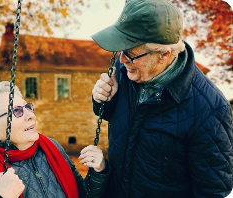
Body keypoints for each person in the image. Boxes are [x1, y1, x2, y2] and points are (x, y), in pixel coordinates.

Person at [91, 0, 233, 197]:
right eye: (121, 51)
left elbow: (213, 191)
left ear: (164, 56)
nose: (122, 60)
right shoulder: (127, 69)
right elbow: (113, 116)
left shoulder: (210, 110)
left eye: (131, 55)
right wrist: (103, 100)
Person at [0, 81, 110, 198]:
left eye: (27, 107)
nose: (30, 115)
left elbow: (83, 194)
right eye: (16, 111)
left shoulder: (52, 148)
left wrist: (99, 171)